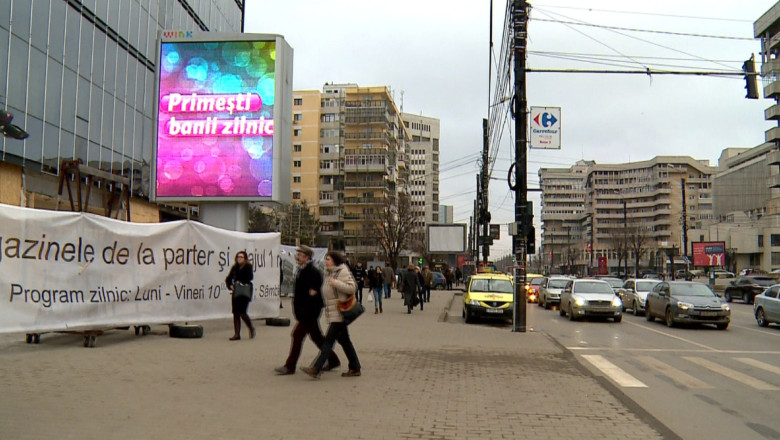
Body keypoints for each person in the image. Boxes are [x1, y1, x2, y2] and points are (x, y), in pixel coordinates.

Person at [274, 246, 340, 375]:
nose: (297, 257)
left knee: (297, 335)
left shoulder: (312, 271)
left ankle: (290, 365)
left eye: (300, 255)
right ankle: (333, 360)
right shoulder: (302, 270)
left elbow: (313, 292)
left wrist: (305, 306)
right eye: (298, 255)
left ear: (307, 257)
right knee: (317, 337)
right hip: (305, 311)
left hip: (309, 311)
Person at [301, 251, 361, 379]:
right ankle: (355, 367)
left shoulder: (342, 271)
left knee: (328, 341)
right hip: (334, 312)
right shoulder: (330, 273)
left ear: (335, 260)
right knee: (345, 341)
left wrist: (336, 283)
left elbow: (352, 288)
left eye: (328, 259)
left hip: (340, 313)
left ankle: (316, 369)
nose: (325, 261)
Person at [224, 251, 256, 341]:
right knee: (236, 313)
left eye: (241, 257)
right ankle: (237, 334)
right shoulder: (234, 267)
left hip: (245, 291)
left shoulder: (248, 266)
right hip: (236, 292)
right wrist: (230, 285)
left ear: (245, 258)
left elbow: (250, 277)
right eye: (238, 256)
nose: (239, 258)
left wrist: (240, 281)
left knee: (242, 312)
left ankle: (251, 327)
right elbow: (228, 278)